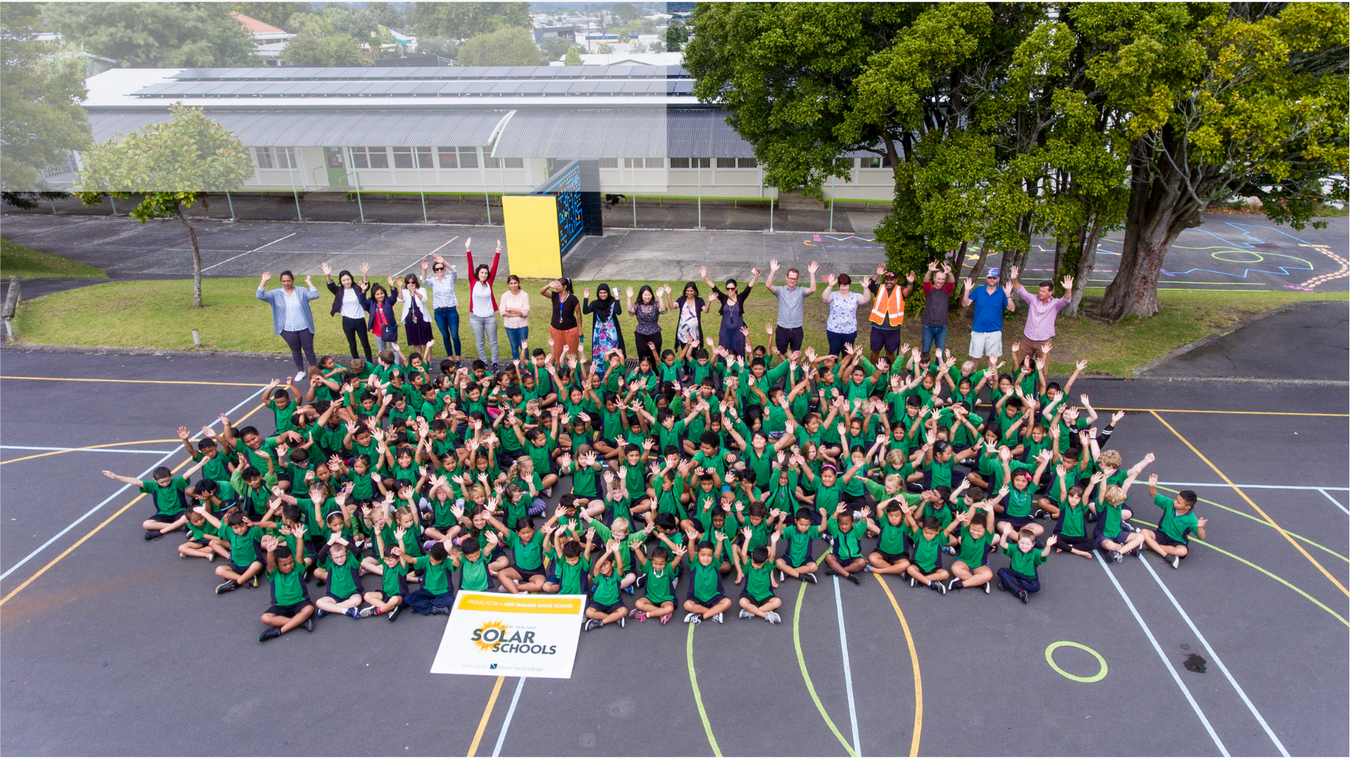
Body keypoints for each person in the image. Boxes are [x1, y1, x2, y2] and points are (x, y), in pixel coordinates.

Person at [256, 270, 320, 382]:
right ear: (281, 281)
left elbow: (315, 295)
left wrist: (309, 283)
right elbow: (259, 295)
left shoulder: (300, 291)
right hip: (287, 328)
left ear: (292, 280)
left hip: (304, 326)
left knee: (308, 349)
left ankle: (315, 371)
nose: (286, 283)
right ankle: (301, 371)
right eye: (284, 281)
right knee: (295, 350)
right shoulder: (276, 294)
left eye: (288, 280)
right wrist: (263, 281)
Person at [1141, 474, 1207, 569]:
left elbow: (1202, 536)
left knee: (1182, 551)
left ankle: (1152, 546)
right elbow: (1154, 495)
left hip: (1177, 540)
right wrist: (1152, 486)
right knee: (1144, 532)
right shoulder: (1169, 504)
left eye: (1179, 502)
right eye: (1176, 498)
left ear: (1187, 507)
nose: (1175, 501)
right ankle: (1167, 556)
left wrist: (1200, 527)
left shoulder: (1191, 519)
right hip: (1162, 534)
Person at [1010, 266, 1072, 363]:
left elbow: (1066, 299)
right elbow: (1021, 290)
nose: (1040, 293)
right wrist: (1014, 279)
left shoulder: (1055, 304)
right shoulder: (1032, 299)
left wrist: (1068, 289)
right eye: (1039, 290)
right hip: (1028, 340)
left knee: (1042, 368)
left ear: (1050, 293)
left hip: (1044, 341)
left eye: (1043, 291)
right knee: (1022, 365)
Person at [258, 535, 314, 642]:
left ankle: (279, 631)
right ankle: (300, 622)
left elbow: (299, 554)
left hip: (300, 603)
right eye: (284, 564)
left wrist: (299, 538)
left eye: (290, 562)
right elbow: (270, 564)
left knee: (309, 609)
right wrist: (270, 551)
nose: (288, 566)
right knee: (265, 618)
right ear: (277, 565)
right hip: (280, 606)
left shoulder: (298, 568)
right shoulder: (273, 574)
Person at [763, 259, 818, 355]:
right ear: (786, 278)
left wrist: (812, 274)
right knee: (780, 353)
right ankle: (781, 370)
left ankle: (794, 370)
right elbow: (768, 285)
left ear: (797, 279)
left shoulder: (801, 291)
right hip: (782, 328)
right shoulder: (780, 291)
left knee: (796, 353)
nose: (792, 281)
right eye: (791, 278)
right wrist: (773, 271)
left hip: (796, 328)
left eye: (795, 279)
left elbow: (813, 289)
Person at [322, 262, 372, 362]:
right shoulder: (339, 290)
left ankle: (370, 363)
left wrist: (365, 274)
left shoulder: (357, 288)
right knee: (352, 344)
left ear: (351, 279)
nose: (346, 282)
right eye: (344, 280)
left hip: (359, 319)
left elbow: (366, 285)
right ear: (341, 281)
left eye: (348, 279)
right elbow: (330, 286)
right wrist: (328, 275)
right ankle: (356, 364)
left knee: (365, 343)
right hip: (347, 321)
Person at [702, 267, 758, 355]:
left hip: (738, 333)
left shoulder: (740, 298)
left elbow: (749, 287)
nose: (730, 290)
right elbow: (714, 287)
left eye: (732, 288)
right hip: (725, 332)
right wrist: (705, 278)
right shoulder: (723, 298)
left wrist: (755, 277)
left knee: (739, 353)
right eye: (728, 289)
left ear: (736, 288)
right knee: (724, 351)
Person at [962, 267, 1015, 360]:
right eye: (990, 277)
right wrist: (967, 291)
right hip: (978, 330)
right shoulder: (978, 291)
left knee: (992, 359)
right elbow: (965, 304)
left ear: (998, 279)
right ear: (986, 278)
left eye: (994, 278)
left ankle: (990, 375)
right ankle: (974, 375)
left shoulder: (1002, 292)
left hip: (994, 331)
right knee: (975, 357)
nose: (992, 280)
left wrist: (1008, 295)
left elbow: (1012, 309)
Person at [866, 265, 915, 365]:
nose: (889, 281)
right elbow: (870, 285)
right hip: (877, 327)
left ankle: (889, 372)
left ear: (896, 280)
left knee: (890, 352)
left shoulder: (900, 290)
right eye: (887, 279)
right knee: (875, 350)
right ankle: (873, 371)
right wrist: (877, 275)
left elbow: (908, 291)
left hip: (893, 328)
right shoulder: (879, 288)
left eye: (891, 280)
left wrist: (910, 282)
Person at [468, 239, 503, 368]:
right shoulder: (473, 281)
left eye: (486, 273)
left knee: (493, 341)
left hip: (490, 317)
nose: (484, 274)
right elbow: (470, 264)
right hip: (476, 317)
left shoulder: (489, 282)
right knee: (480, 342)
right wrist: (468, 249)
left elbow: (495, 265)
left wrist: (498, 249)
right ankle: (483, 363)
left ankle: (494, 362)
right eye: (481, 272)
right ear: (478, 273)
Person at [997, 529, 1056, 603]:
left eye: (1028, 544)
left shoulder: (1035, 553)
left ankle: (1009, 584)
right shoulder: (1015, 548)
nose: (1024, 546)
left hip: (1027, 579)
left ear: (1033, 544)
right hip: (1014, 574)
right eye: (1022, 543)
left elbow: (1044, 554)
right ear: (1018, 542)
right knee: (1001, 571)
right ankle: (1020, 592)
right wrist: (1005, 534)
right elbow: (1003, 544)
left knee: (1036, 586)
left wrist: (1048, 546)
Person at [424, 253, 461, 364]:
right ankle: (450, 358)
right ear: (434, 271)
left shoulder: (450, 278)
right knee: (445, 336)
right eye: (437, 269)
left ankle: (458, 358)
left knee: (454, 335)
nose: (440, 271)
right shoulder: (433, 281)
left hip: (451, 311)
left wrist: (444, 261)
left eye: (441, 268)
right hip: (439, 312)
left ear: (444, 268)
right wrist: (424, 270)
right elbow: (424, 281)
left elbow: (453, 271)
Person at [390, 272, 433, 365]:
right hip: (410, 320)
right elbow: (400, 299)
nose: (411, 284)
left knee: (426, 340)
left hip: (422, 318)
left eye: (412, 282)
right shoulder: (405, 291)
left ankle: (428, 361)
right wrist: (400, 287)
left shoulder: (421, 289)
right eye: (408, 283)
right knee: (416, 341)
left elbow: (424, 299)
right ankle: (419, 361)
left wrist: (415, 292)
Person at [821, 272, 868, 357]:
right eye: (842, 286)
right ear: (839, 285)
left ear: (849, 285)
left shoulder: (855, 296)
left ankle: (846, 370)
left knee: (847, 356)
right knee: (833, 355)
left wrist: (866, 288)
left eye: (846, 286)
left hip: (849, 331)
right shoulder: (833, 295)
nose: (844, 288)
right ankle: (832, 370)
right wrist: (830, 286)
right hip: (834, 330)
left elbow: (865, 300)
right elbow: (824, 299)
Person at [920, 261, 956, 361]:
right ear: (934, 278)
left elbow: (952, 281)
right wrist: (929, 271)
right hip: (928, 326)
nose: (941, 281)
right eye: (939, 279)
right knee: (925, 351)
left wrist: (949, 273)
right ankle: (922, 372)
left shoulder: (946, 290)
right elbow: (926, 281)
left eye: (943, 279)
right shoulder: (929, 290)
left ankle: (938, 373)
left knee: (940, 353)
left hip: (942, 327)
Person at [582, 282, 624, 364]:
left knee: (612, 352)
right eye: (600, 293)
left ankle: (612, 372)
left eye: (604, 293)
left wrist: (617, 299)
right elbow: (585, 311)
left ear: (608, 293)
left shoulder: (612, 302)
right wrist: (586, 298)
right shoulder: (595, 304)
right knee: (599, 352)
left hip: (611, 334)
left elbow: (618, 312)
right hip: (598, 334)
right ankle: (599, 374)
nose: (602, 295)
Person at [627, 284, 668, 366]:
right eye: (645, 295)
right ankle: (643, 374)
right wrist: (629, 298)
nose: (647, 297)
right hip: (640, 334)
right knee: (642, 356)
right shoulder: (637, 305)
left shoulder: (656, 304)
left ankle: (655, 374)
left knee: (655, 355)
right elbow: (630, 310)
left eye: (649, 294)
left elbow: (663, 309)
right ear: (641, 295)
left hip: (654, 333)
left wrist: (660, 297)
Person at [543, 278, 582, 363]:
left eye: (558, 286)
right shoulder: (555, 295)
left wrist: (580, 329)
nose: (556, 287)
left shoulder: (573, 299)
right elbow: (541, 291)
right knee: (558, 351)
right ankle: (561, 371)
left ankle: (573, 371)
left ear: (565, 287)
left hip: (570, 329)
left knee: (572, 352)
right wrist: (549, 285)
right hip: (556, 328)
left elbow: (578, 314)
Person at [668, 280, 707, 352]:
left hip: (694, 333)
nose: (689, 292)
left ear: (695, 291)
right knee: (684, 352)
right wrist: (669, 294)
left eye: (691, 291)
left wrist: (709, 302)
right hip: (683, 333)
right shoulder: (681, 299)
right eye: (687, 291)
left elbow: (706, 310)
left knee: (694, 354)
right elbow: (671, 306)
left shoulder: (699, 300)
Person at [499, 274, 531, 361]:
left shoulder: (524, 295)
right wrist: (517, 314)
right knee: (514, 346)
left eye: (515, 283)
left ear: (519, 283)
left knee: (524, 346)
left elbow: (525, 311)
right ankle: (517, 367)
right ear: (508, 284)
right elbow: (502, 312)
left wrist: (510, 309)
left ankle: (527, 367)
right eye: (511, 283)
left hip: (522, 325)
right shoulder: (505, 295)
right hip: (509, 325)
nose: (513, 285)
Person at [366, 283, 400, 358]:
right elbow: (362, 302)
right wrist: (363, 291)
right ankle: (384, 366)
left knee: (394, 349)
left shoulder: (388, 301)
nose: (380, 296)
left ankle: (396, 367)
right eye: (377, 294)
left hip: (390, 330)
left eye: (381, 293)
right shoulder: (371, 303)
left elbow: (394, 296)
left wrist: (392, 287)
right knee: (382, 350)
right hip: (378, 331)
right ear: (374, 295)